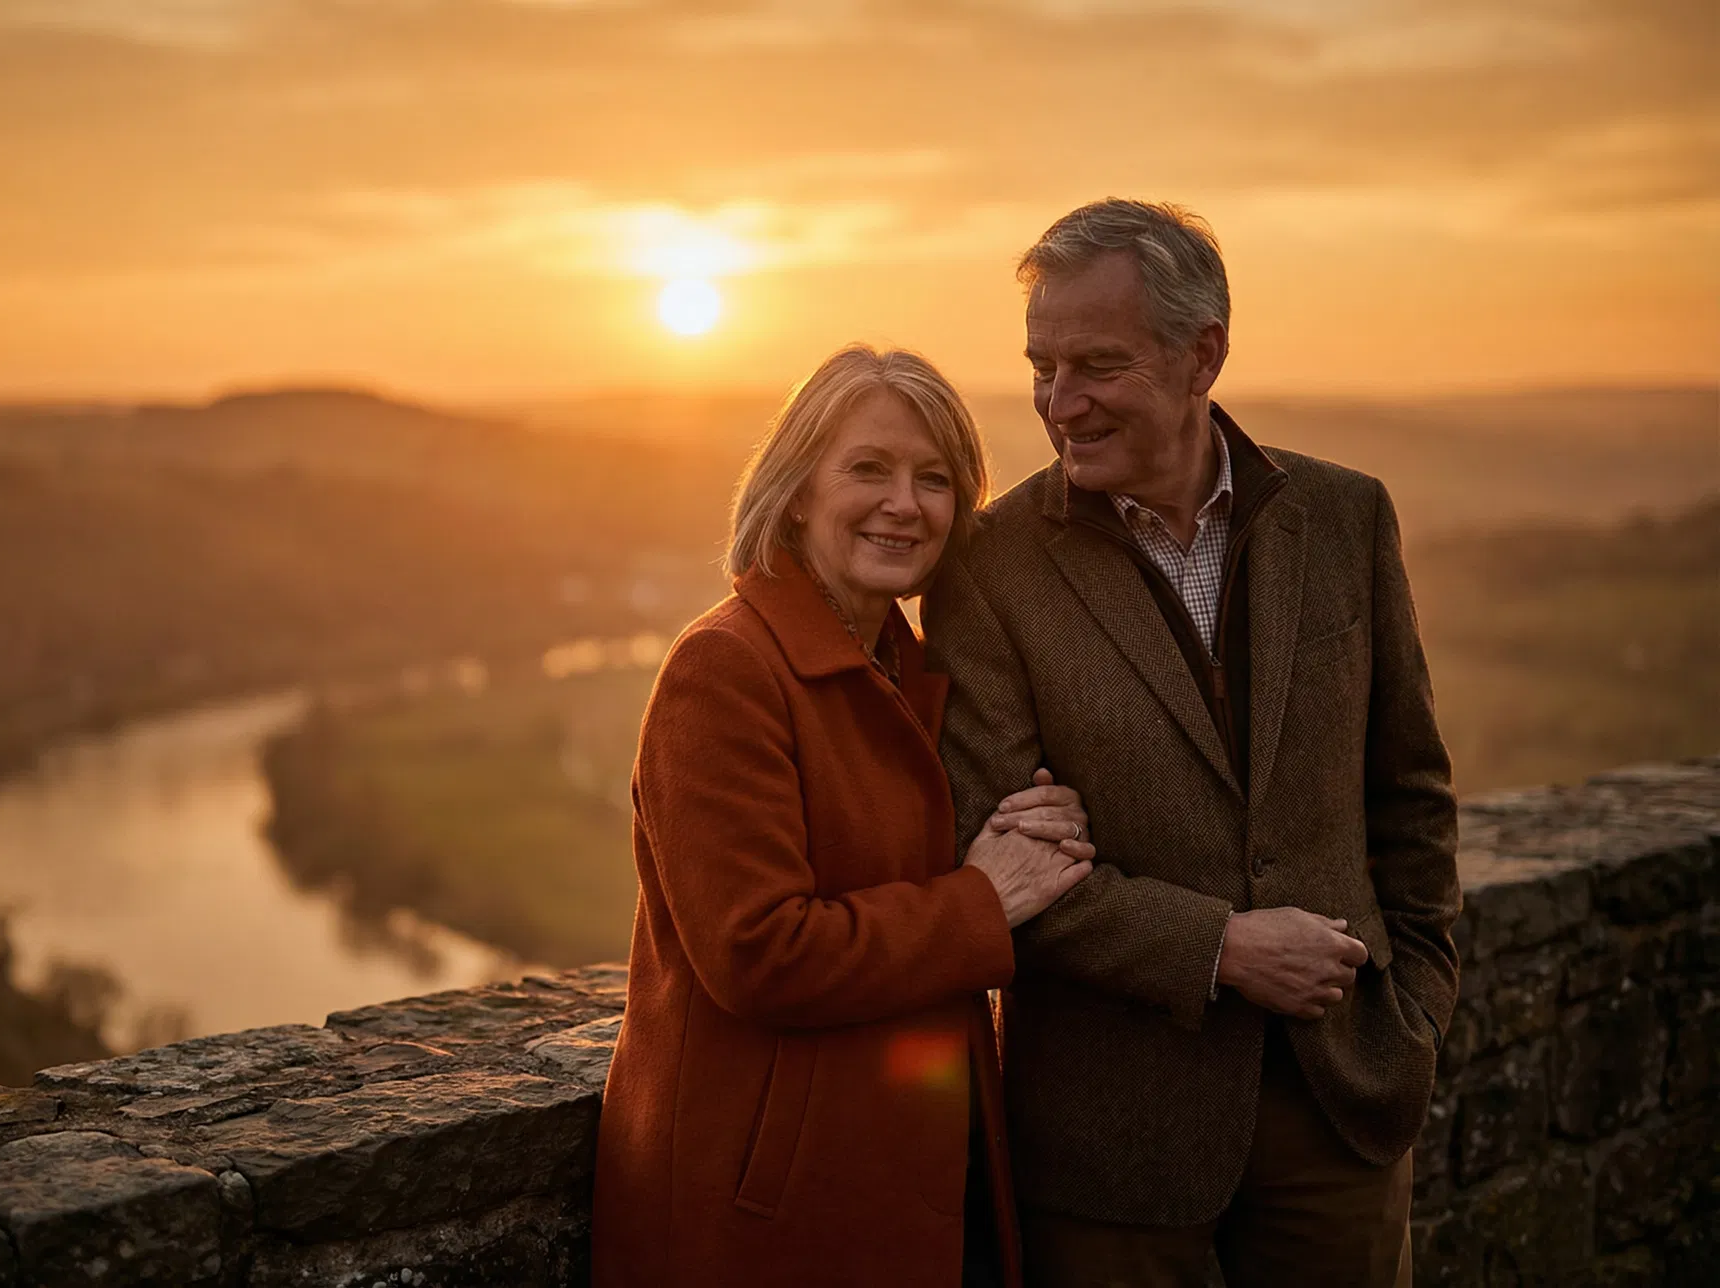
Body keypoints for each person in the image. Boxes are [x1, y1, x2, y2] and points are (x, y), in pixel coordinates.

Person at [925, 199, 1462, 1287]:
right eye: (1042, 366)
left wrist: (1415, 1013)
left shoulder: (1347, 517)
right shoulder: (987, 566)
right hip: (1110, 1140)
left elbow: (1409, 793)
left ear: (1202, 352)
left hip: (1343, 1102)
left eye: (1098, 365)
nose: (1059, 403)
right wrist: (1219, 946)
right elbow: (1003, 873)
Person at [591, 344, 1096, 1288]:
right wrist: (983, 899)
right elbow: (760, 952)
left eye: (934, 478)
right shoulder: (727, 671)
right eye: (869, 468)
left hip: (912, 1165)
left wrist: (1039, 827)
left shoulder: (904, 668)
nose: (904, 502)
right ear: (795, 491)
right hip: (770, 1204)